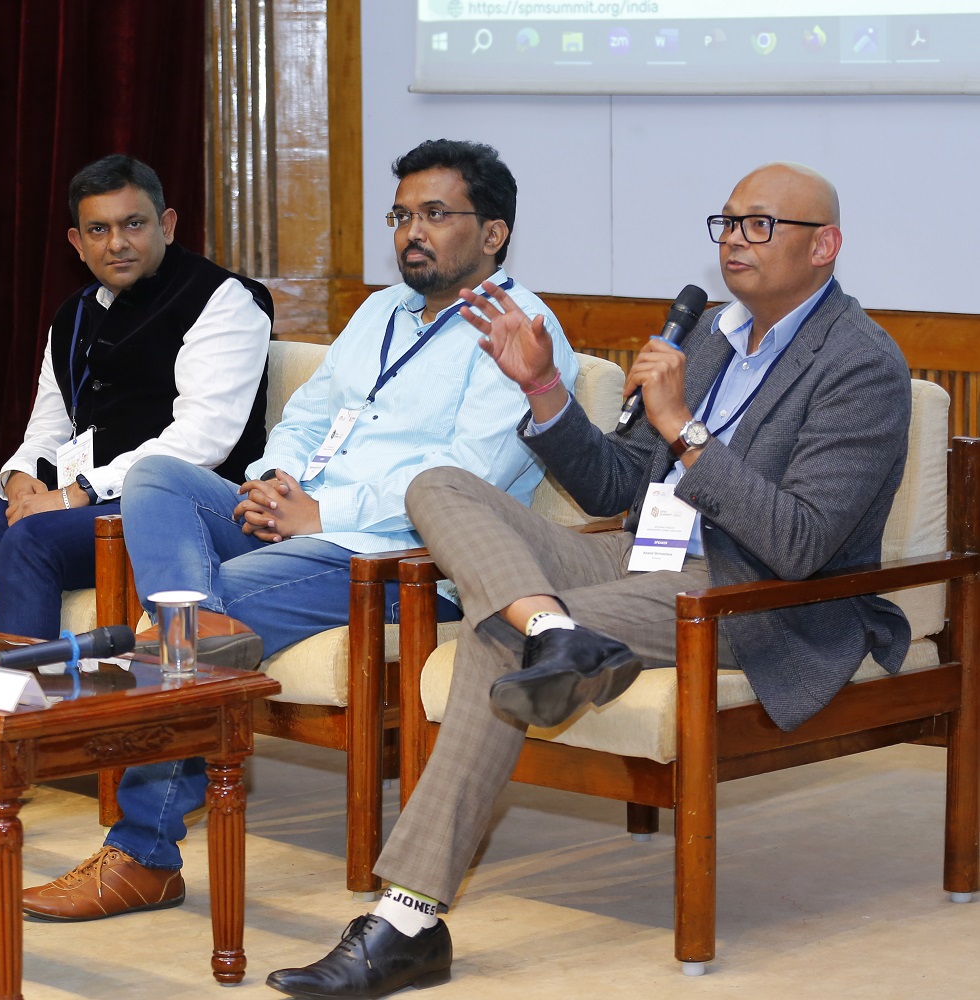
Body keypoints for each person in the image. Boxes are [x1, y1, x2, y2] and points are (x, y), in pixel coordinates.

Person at [264, 162, 913, 998]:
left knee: (492, 640)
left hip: (748, 586)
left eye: (761, 227)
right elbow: (615, 488)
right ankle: (555, 630)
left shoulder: (862, 363)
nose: (736, 244)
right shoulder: (714, 334)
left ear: (824, 246)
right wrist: (541, 390)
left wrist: (683, 429)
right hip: (642, 554)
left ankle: (406, 922)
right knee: (437, 486)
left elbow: (802, 542)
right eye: (727, 224)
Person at [20, 139, 579, 922]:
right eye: (401, 215)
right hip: (299, 524)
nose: (410, 232)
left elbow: (466, 480)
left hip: (398, 562)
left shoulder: (523, 335)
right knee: (155, 478)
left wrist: (323, 514)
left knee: (188, 624)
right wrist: (270, 481)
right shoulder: (383, 310)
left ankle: (144, 852)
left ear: (493, 234)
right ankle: (198, 625)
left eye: (434, 215)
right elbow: (309, 414)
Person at [0, 154, 273, 860]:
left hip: (166, 515)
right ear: (75, 240)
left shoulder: (224, 300)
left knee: (25, 546)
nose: (117, 243)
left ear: (168, 223)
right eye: (98, 230)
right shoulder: (74, 313)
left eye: (133, 225)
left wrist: (72, 494)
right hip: (70, 504)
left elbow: (201, 440)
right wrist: (20, 482)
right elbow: (47, 427)